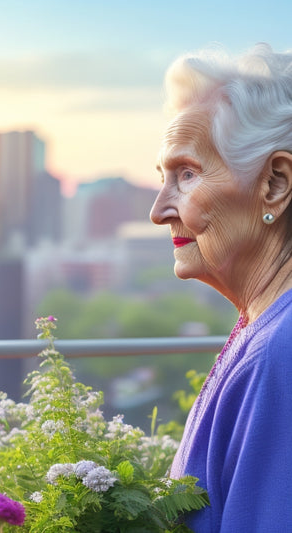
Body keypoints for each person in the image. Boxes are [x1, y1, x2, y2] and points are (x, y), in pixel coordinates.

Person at [150, 43, 292, 532]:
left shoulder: (281, 354)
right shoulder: (266, 323)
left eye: (187, 174)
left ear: (275, 182)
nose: (159, 209)